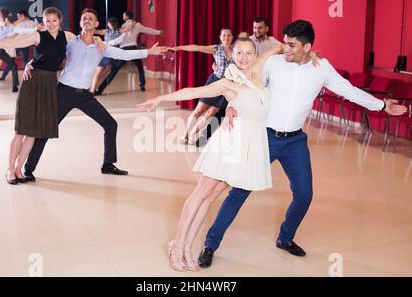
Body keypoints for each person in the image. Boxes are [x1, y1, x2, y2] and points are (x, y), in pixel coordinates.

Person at [197, 20, 408, 268]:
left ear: (307, 47)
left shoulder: (322, 68)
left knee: (304, 195)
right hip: (265, 137)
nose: (284, 48)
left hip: (295, 140)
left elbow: (349, 90)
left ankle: (285, 238)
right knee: (240, 191)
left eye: (291, 45)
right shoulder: (273, 63)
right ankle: (210, 244)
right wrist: (232, 105)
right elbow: (248, 84)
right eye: (284, 43)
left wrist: (383, 105)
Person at [138, 38, 283, 272]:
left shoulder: (256, 72)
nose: (244, 58)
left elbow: (276, 48)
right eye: (239, 53)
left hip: (246, 147)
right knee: (201, 194)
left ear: (255, 55)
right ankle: (177, 244)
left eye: (249, 53)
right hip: (230, 144)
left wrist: (292, 48)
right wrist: (161, 98)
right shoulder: (229, 82)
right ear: (232, 54)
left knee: (210, 197)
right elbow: (194, 91)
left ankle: (187, 247)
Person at [21, 8, 167, 182]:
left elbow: (124, 54)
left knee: (110, 125)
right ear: (81, 23)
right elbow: (48, 52)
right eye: (84, 18)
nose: (87, 20)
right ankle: (28, 169)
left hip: (85, 95)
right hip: (64, 92)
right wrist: (30, 63)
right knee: (45, 130)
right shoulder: (70, 42)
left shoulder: (101, 46)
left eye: (91, 18)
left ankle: (108, 165)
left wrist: (149, 52)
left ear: (96, 24)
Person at [0, 7, 100, 185]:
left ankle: (20, 168)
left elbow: (86, 37)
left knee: (33, 132)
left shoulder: (66, 36)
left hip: (49, 84)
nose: (50, 24)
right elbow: (11, 42)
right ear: (43, 22)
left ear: (60, 21)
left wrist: (98, 38)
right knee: (22, 129)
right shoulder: (37, 36)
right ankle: (10, 169)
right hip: (32, 81)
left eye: (54, 20)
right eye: (47, 21)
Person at [170, 28, 234, 145]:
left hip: (226, 87)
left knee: (211, 113)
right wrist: (179, 48)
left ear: (232, 37)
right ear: (220, 37)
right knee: (198, 110)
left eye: (229, 35)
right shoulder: (216, 48)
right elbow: (196, 47)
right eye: (224, 35)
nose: (226, 38)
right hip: (214, 82)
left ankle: (193, 134)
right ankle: (185, 134)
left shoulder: (236, 50)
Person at [94, 10, 164, 94]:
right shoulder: (137, 25)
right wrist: (159, 32)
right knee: (140, 67)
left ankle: (100, 89)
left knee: (114, 70)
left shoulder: (124, 26)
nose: (123, 17)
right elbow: (147, 30)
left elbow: (121, 39)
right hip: (133, 48)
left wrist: (108, 43)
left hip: (124, 50)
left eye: (124, 16)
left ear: (127, 17)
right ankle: (142, 86)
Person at [0, 9, 39, 81]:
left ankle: (3, 77)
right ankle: (28, 77)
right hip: (24, 44)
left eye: (18, 16)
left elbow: (12, 32)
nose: (17, 17)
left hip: (19, 44)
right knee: (24, 61)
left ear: (22, 15)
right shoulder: (32, 23)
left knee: (12, 60)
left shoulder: (19, 24)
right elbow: (37, 28)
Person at [90, 17, 122, 93]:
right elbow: (97, 31)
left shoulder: (118, 31)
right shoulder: (108, 31)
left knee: (102, 73)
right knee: (100, 73)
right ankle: (93, 89)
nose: (109, 24)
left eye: (109, 23)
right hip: (107, 53)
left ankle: (93, 89)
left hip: (111, 54)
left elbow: (97, 32)